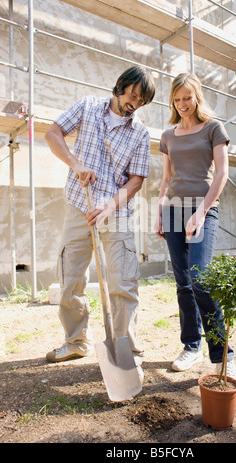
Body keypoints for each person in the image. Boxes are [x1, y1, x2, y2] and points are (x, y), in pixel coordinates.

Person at [45, 65, 155, 383]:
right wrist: (77, 165)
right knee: (69, 279)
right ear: (119, 86)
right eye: (132, 94)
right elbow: (53, 134)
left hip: (115, 214)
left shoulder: (140, 133)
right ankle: (76, 342)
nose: (134, 102)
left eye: (141, 99)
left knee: (123, 284)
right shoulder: (88, 107)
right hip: (80, 207)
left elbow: (136, 181)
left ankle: (127, 354)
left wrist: (109, 205)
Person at [154, 72, 236, 386]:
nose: (182, 105)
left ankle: (223, 357)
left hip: (203, 209)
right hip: (173, 210)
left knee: (200, 278)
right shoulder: (168, 135)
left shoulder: (213, 128)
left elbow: (222, 173)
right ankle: (190, 345)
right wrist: (159, 212)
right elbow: (167, 178)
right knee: (182, 283)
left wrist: (202, 211)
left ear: (197, 96)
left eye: (187, 98)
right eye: (177, 100)